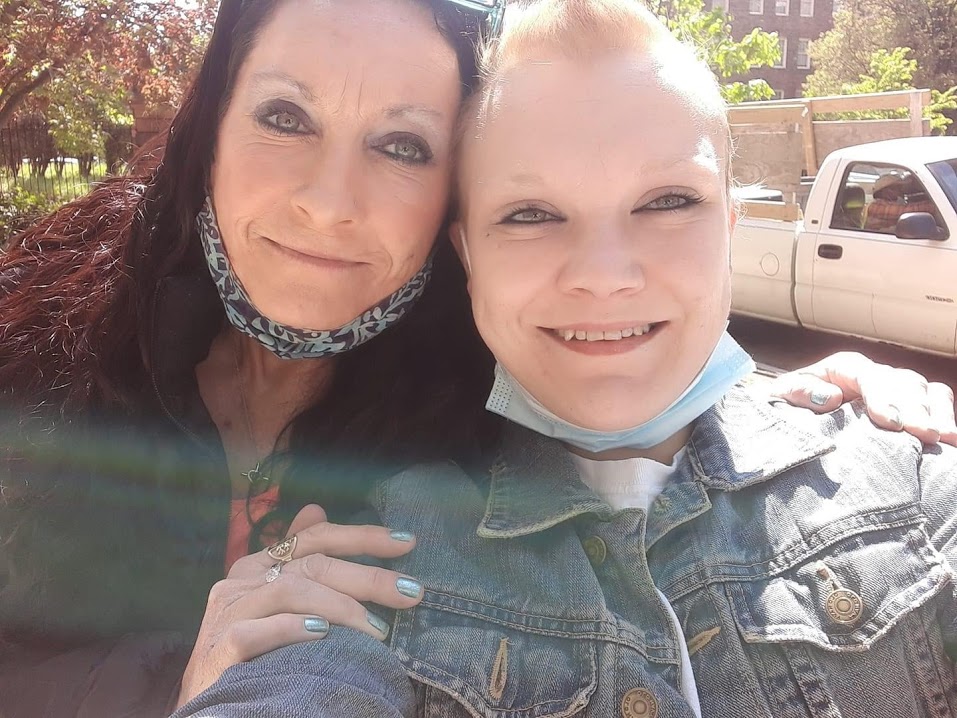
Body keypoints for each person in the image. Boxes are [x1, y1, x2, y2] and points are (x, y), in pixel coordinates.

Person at [0, 0, 951, 716]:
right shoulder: (39, 341)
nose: (329, 202)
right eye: (285, 117)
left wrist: (828, 425)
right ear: (210, 126)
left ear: (448, 214)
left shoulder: (460, 415)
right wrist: (184, 680)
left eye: (401, 144)